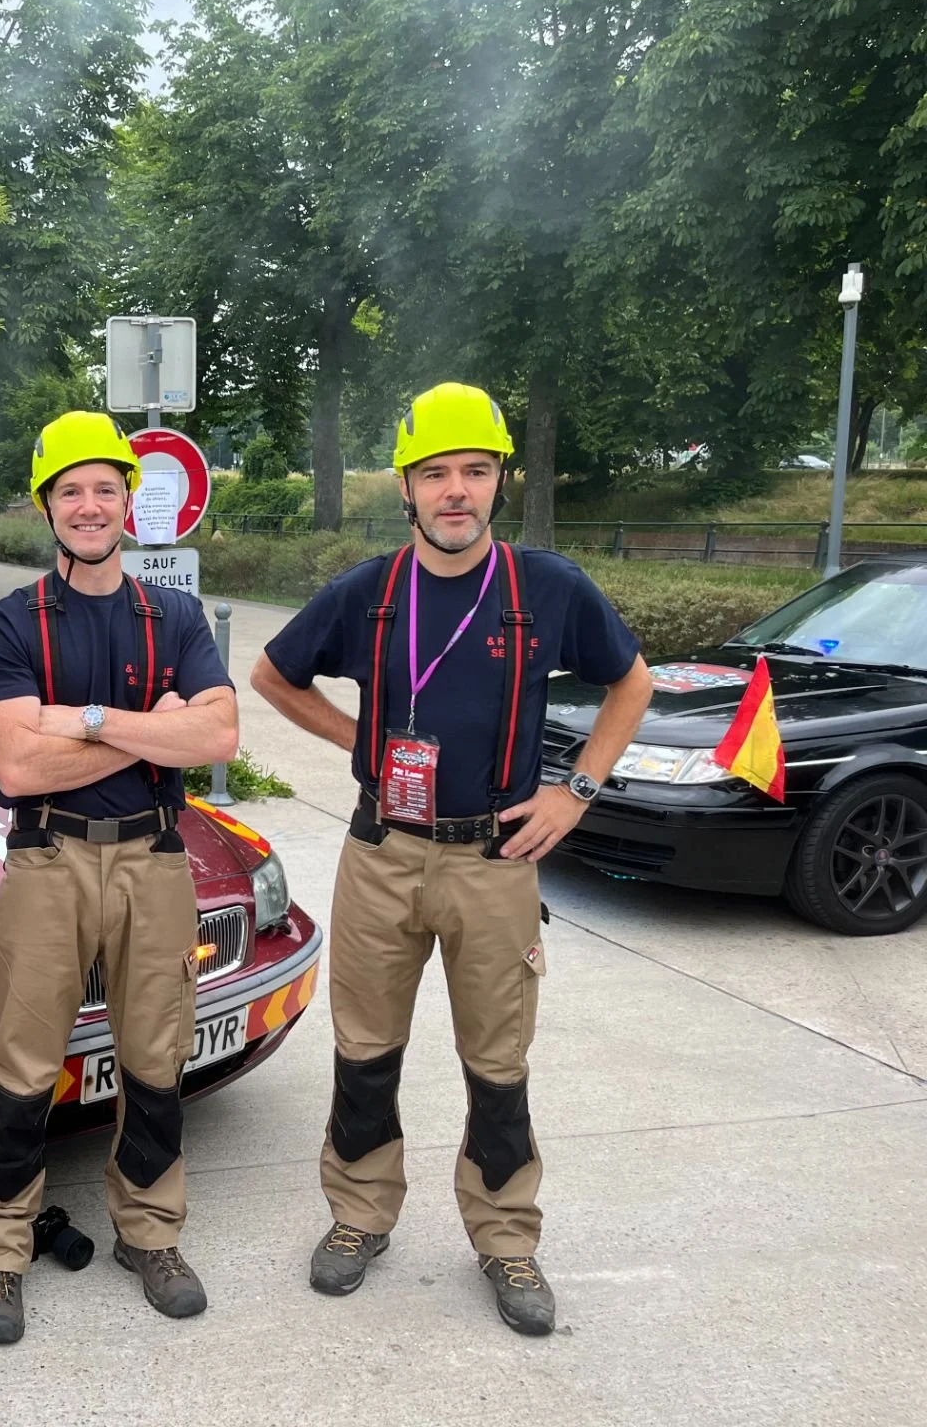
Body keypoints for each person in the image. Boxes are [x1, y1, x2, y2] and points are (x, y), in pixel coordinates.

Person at [250, 382, 653, 1336]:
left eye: (475, 471)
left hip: (495, 859)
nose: (456, 491)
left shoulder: (546, 587)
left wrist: (576, 790)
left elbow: (631, 682)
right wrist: (358, 741)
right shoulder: (369, 591)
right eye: (436, 474)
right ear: (406, 489)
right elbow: (272, 673)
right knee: (364, 1052)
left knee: (498, 1063)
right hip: (382, 853)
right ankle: (358, 1218)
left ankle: (507, 1241)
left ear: (499, 480)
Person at [0, 410, 239, 1344]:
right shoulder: (9, 623)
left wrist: (74, 719)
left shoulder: (178, 616)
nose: (88, 505)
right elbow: (20, 770)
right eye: (69, 490)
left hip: (155, 858)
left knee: (157, 1060)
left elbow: (217, 737)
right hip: (47, 856)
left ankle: (149, 1234)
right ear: (47, 505)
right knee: (25, 1065)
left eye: (105, 489)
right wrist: (138, 722)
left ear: (131, 502)